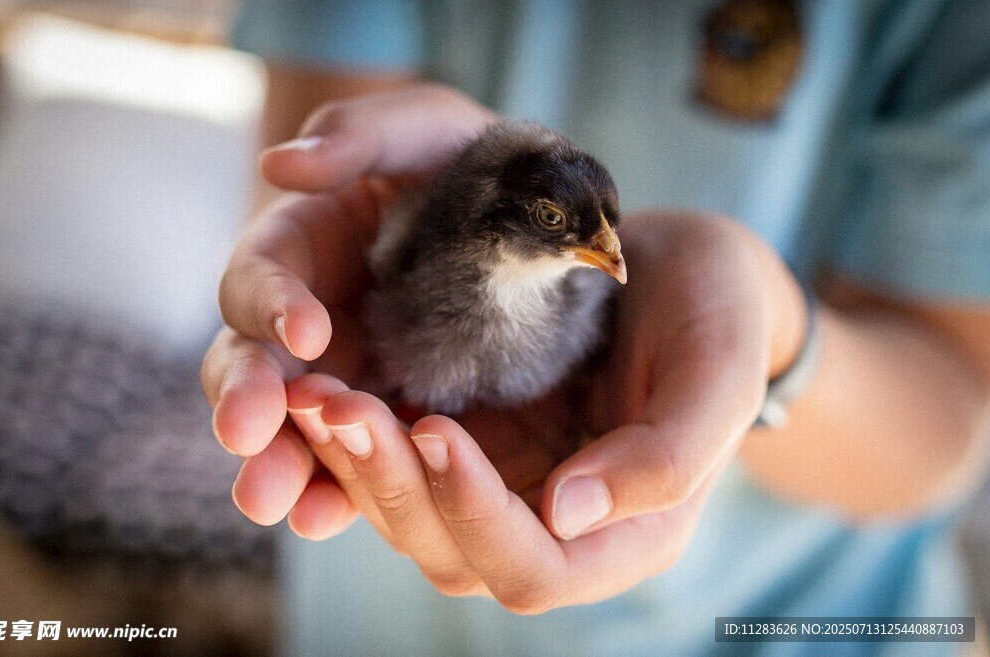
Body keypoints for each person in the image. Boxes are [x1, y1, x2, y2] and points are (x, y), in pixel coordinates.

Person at [201, 1, 990, 655]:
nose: (610, 256)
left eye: (605, 234)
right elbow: (321, 203)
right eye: (565, 225)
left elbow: (952, 409)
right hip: (384, 603)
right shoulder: (443, 258)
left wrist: (769, 331)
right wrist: (313, 257)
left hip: (802, 620)